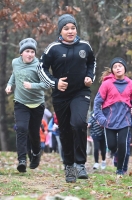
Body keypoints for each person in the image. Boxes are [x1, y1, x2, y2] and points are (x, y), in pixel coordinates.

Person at [37, 14, 96, 183]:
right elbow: (41, 69)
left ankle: (80, 164)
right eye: (66, 28)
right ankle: (69, 166)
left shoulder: (85, 46)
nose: (70, 31)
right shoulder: (53, 48)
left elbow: (92, 62)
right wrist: (55, 83)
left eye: (73, 28)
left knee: (78, 124)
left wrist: (90, 77)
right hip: (61, 95)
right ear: (60, 30)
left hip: (80, 92)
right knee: (65, 131)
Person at [5, 38, 48, 173]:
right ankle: (22, 160)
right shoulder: (15, 63)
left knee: (34, 132)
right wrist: (9, 84)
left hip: (37, 104)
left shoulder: (39, 65)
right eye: (27, 51)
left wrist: (32, 86)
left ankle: (36, 153)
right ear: (21, 53)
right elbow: (14, 74)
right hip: (21, 102)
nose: (30, 54)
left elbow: (46, 84)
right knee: (21, 128)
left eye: (32, 52)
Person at [93, 57, 132, 177]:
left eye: (120, 66)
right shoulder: (107, 83)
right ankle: (115, 154)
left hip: (125, 119)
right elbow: (97, 102)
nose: (118, 68)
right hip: (109, 120)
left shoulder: (131, 84)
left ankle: (119, 170)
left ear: (125, 68)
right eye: (115, 67)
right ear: (112, 71)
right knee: (112, 145)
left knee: (123, 143)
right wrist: (100, 118)